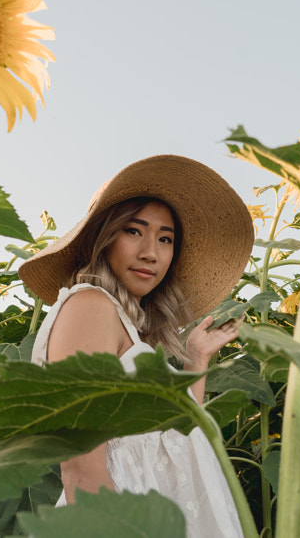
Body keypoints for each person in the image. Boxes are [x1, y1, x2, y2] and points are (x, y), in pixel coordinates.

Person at [19, 154, 254, 538]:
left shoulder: (121, 325)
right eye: (133, 231)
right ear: (103, 239)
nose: (151, 252)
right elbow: (81, 464)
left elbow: (173, 438)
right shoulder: (89, 306)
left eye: (166, 239)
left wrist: (196, 360)